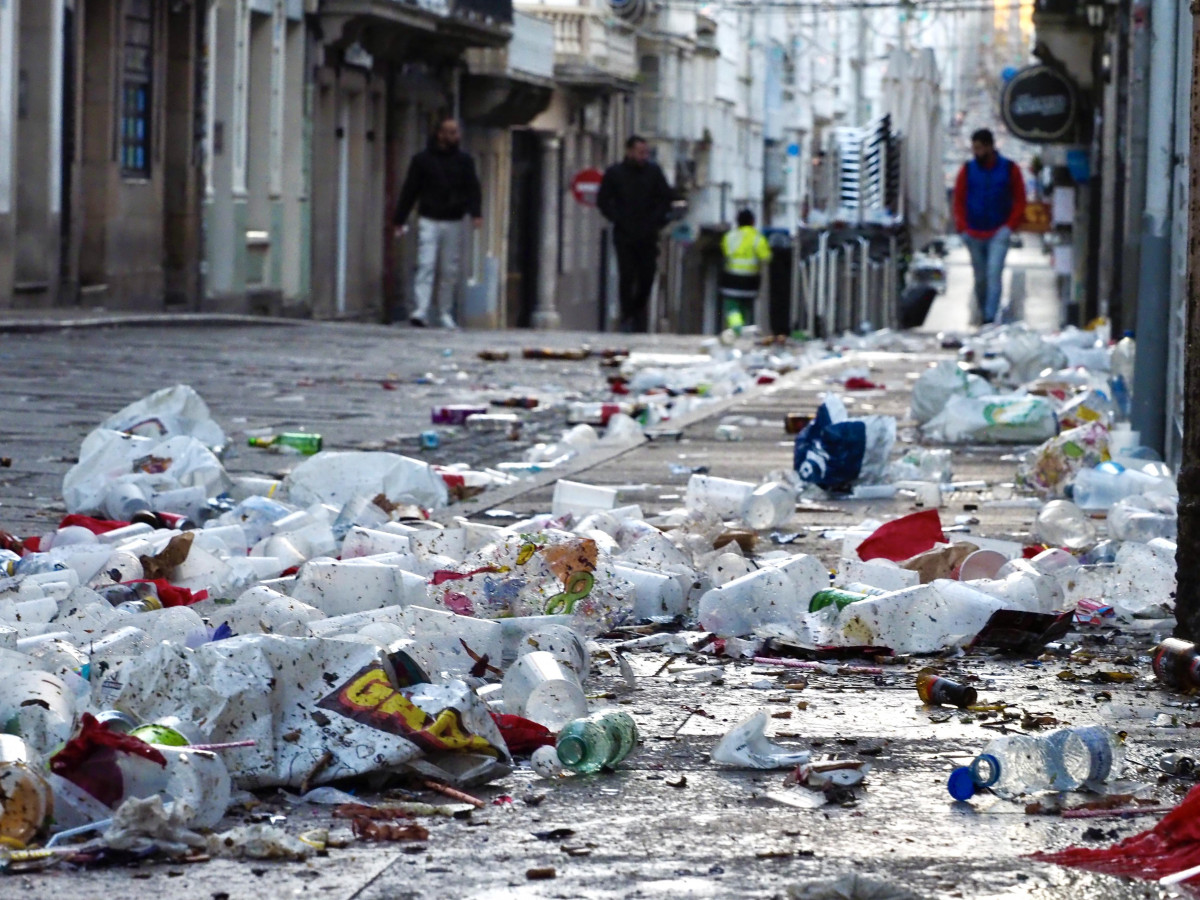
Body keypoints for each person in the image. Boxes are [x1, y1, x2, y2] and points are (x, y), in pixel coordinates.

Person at [393, 118, 483, 329]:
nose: (454, 136)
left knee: (449, 269)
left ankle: (444, 312)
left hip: (453, 220)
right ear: (439, 134)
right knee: (426, 264)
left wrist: (475, 213)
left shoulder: (465, 161)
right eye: (450, 132)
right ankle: (421, 310)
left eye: (456, 132)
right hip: (428, 218)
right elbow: (410, 189)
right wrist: (400, 218)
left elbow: (473, 188)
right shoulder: (422, 160)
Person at [597, 135, 675, 333]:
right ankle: (627, 316)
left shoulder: (653, 172)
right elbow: (603, 200)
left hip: (648, 234)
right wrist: (618, 217)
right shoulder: (615, 173)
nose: (644, 156)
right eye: (640, 152)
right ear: (629, 151)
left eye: (646, 152)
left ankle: (638, 309)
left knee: (647, 276)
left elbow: (666, 199)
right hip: (625, 234)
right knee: (627, 274)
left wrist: (657, 220)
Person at [952, 128, 1026, 325]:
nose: (976, 153)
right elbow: (958, 199)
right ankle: (984, 308)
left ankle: (989, 317)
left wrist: (1009, 226)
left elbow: (1020, 199)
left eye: (979, 148)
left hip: (998, 231)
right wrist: (963, 227)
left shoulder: (1010, 169)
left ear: (990, 147)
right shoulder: (967, 170)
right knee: (980, 277)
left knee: (994, 274)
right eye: (974, 148)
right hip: (973, 232)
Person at [719, 209, 772, 332]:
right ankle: (742, 328)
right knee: (745, 306)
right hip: (750, 280)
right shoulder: (758, 238)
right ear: (753, 222)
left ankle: (736, 327)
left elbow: (725, 252)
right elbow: (766, 257)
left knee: (732, 306)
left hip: (731, 277)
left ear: (737, 222)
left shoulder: (729, 237)